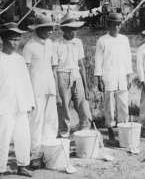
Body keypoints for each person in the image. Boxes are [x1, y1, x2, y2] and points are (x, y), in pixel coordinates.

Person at [22, 15, 58, 168]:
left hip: (49, 87)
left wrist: (55, 87)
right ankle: (35, 154)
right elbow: (24, 72)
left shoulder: (51, 44)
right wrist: (26, 94)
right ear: (39, 29)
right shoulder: (29, 46)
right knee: (36, 122)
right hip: (35, 89)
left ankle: (48, 151)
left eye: (51, 28)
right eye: (47, 28)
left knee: (50, 121)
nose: (50, 31)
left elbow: (54, 66)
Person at [0, 23, 34, 177]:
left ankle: (23, 165)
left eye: (18, 39)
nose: (15, 42)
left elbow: (26, 82)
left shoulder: (20, 59)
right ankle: (1, 167)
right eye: (12, 39)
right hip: (4, 104)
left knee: (23, 135)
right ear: (4, 39)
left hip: (21, 104)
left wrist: (30, 102)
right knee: (3, 136)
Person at [95, 12, 132, 145]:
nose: (116, 27)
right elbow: (98, 61)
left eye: (118, 24)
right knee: (109, 104)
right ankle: (110, 127)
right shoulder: (102, 40)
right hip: (108, 76)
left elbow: (128, 59)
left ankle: (123, 128)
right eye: (114, 24)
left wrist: (129, 76)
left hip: (122, 75)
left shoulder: (124, 39)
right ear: (109, 25)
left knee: (123, 103)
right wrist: (99, 78)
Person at [55, 13, 92, 138]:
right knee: (64, 106)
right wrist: (56, 87)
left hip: (76, 76)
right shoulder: (57, 44)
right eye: (71, 29)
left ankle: (84, 130)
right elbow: (54, 68)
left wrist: (86, 87)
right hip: (62, 74)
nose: (74, 32)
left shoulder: (78, 42)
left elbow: (81, 65)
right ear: (64, 30)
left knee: (82, 104)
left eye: (75, 29)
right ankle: (64, 132)